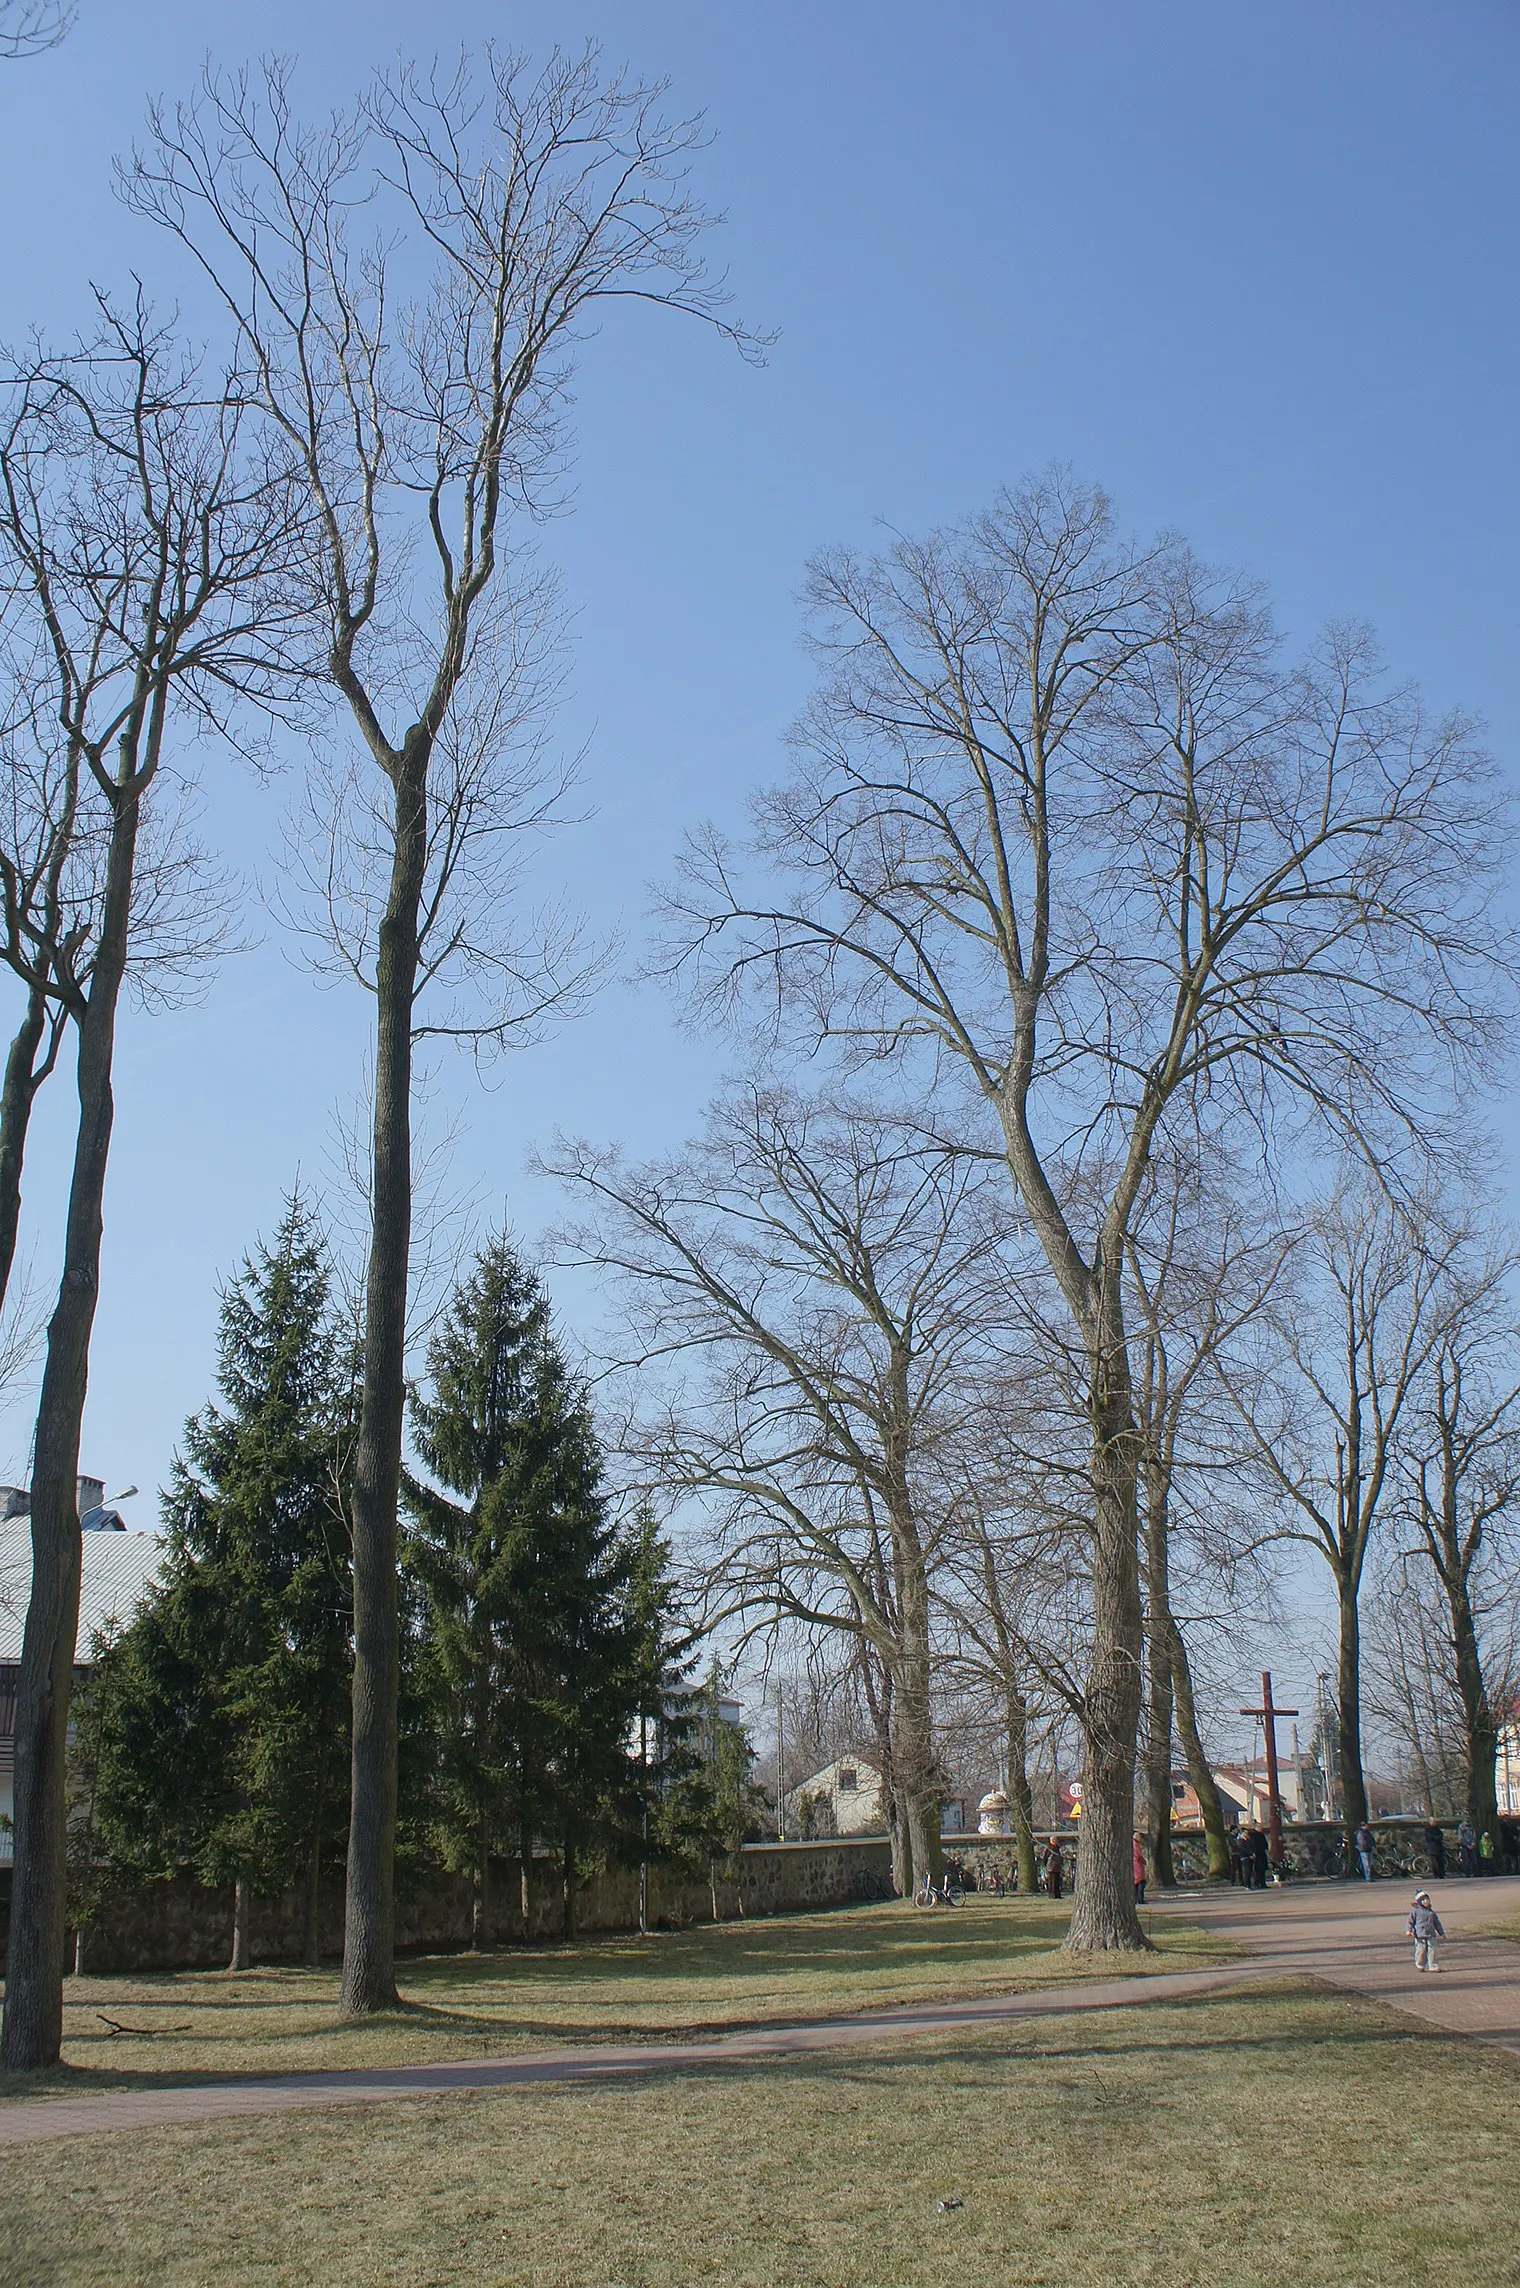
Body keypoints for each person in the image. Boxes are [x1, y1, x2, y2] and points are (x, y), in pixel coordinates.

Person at [1405, 1890, 1445, 1973]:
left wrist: (1441, 1933)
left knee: (1433, 1950)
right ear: (1419, 1902)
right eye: (1423, 1900)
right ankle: (1420, 1965)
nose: (1426, 1901)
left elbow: (1437, 1923)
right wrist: (1408, 1930)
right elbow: (1410, 1921)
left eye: (1427, 1899)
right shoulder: (1415, 1911)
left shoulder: (1431, 1912)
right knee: (1421, 1950)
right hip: (1420, 1934)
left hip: (1431, 1934)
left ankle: (1433, 1966)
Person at [1043, 1836, 1064, 1901]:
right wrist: (1045, 1865)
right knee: (1051, 1882)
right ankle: (1052, 1895)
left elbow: (1060, 1856)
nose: (1055, 1841)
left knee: (1057, 1882)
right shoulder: (1048, 1848)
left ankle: (1058, 1894)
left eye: (1056, 1840)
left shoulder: (1058, 1847)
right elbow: (1045, 1857)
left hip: (1057, 1867)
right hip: (1051, 1867)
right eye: (1053, 1840)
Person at [1250, 1824, 1270, 1891]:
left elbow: (1265, 1843)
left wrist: (1266, 1848)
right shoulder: (1253, 1835)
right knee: (1258, 1869)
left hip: (1262, 1853)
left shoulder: (1261, 1834)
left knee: (1263, 1869)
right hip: (1257, 1854)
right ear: (1256, 1828)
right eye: (1260, 1827)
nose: (1261, 1828)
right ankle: (1257, 1883)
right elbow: (1253, 1844)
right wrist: (1253, 1852)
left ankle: (1263, 1883)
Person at [1132, 1834, 1147, 1905]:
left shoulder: (1133, 1844)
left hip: (1134, 1866)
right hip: (1137, 1866)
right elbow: (1138, 1856)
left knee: (1136, 1884)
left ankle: (1136, 1899)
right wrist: (1144, 1861)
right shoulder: (1135, 1845)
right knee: (1141, 1882)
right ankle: (1140, 1899)